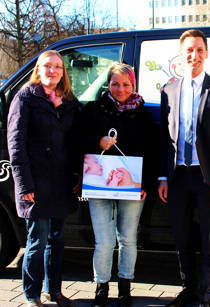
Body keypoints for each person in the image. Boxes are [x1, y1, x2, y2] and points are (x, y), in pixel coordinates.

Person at [158, 29, 210, 307]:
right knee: (181, 236)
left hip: (208, 180)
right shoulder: (168, 90)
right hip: (177, 177)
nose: (194, 55)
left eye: (199, 50)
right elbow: (164, 138)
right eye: (189, 50)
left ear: (206, 53)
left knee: (209, 238)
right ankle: (188, 288)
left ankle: (206, 294)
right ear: (181, 54)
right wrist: (162, 177)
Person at [75, 63, 154, 307]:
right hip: (100, 184)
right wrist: (97, 140)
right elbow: (76, 140)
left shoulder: (144, 114)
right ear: (107, 85)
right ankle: (101, 288)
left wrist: (146, 183)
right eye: (115, 84)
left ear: (134, 85)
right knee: (104, 240)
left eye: (126, 84)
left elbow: (153, 151)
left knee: (128, 239)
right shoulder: (92, 110)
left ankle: (125, 287)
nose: (121, 89)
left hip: (132, 186)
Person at [7, 50, 80, 307]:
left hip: (60, 183)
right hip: (35, 183)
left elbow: (76, 140)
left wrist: (77, 175)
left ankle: (54, 290)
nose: (53, 71)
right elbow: (16, 146)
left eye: (58, 67)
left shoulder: (69, 101)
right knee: (37, 241)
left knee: (56, 240)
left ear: (63, 72)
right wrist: (24, 184)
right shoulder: (25, 98)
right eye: (48, 66)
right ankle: (31, 295)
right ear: (38, 69)